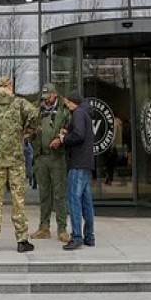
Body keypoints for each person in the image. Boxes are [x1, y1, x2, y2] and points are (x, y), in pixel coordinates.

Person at [0, 76, 39, 253]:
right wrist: (27, 131)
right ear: (9, 86)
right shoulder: (19, 103)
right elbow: (35, 114)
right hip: (16, 160)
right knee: (18, 200)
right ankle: (22, 240)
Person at [30, 82, 70, 243]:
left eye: (48, 97)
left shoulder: (64, 110)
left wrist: (60, 139)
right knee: (44, 194)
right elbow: (28, 127)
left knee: (59, 195)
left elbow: (69, 127)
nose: (46, 100)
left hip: (57, 157)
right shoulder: (36, 110)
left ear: (55, 94)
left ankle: (62, 229)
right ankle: (44, 227)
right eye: (43, 98)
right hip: (41, 157)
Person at [56, 91, 95, 250]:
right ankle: (89, 236)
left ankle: (77, 236)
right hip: (86, 163)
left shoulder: (78, 113)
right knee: (86, 201)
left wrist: (65, 138)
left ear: (72, 101)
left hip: (77, 162)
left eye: (66, 101)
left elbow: (78, 135)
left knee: (73, 200)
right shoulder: (85, 113)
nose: (65, 104)